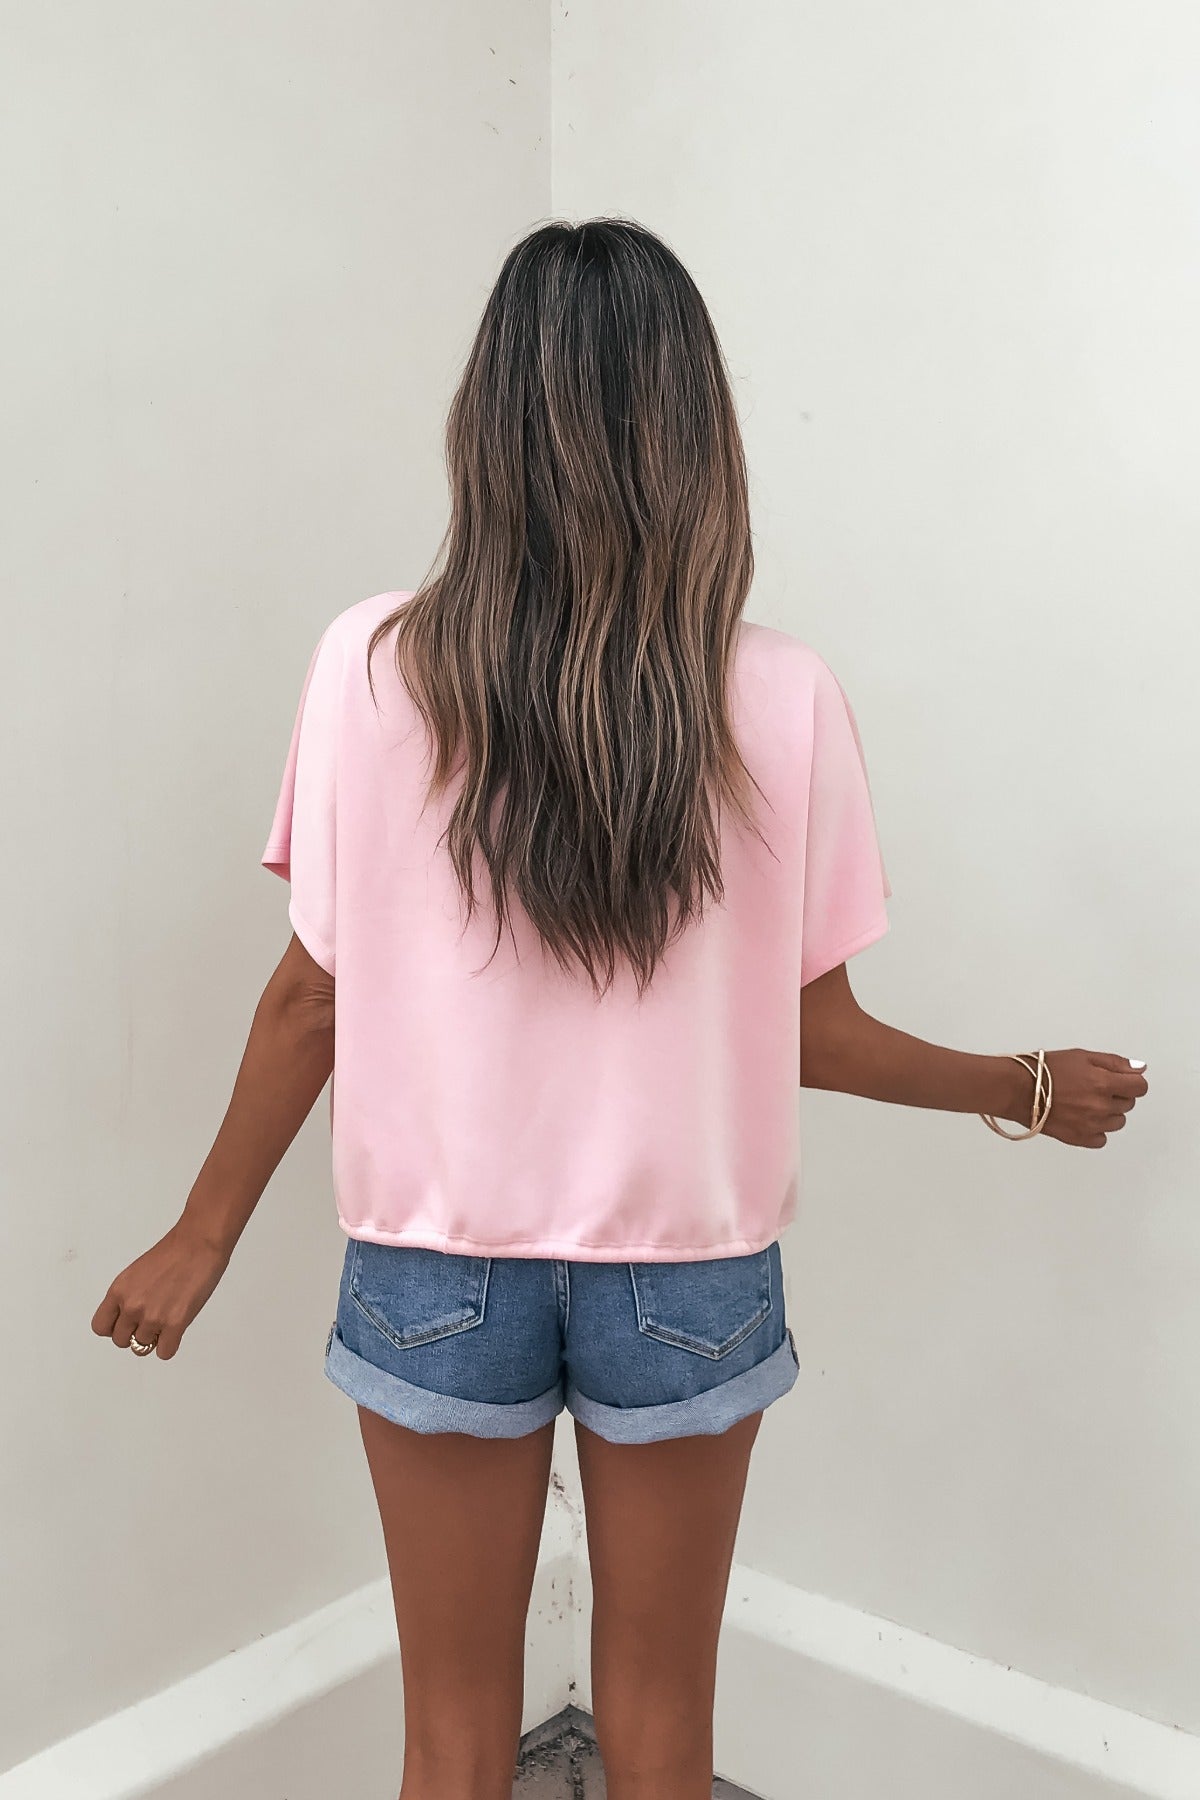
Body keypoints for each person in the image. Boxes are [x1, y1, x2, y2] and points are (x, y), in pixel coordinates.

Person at [91, 217, 1149, 1800]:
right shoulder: (783, 695)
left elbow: (314, 998)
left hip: (431, 1268)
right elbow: (812, 1031)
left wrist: (203, 1233)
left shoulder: (368, 667)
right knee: (663, 1734)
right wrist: (1029, 1085)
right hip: (694, 1278)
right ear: (697, 436)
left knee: (450, 1743)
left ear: (489, 425)